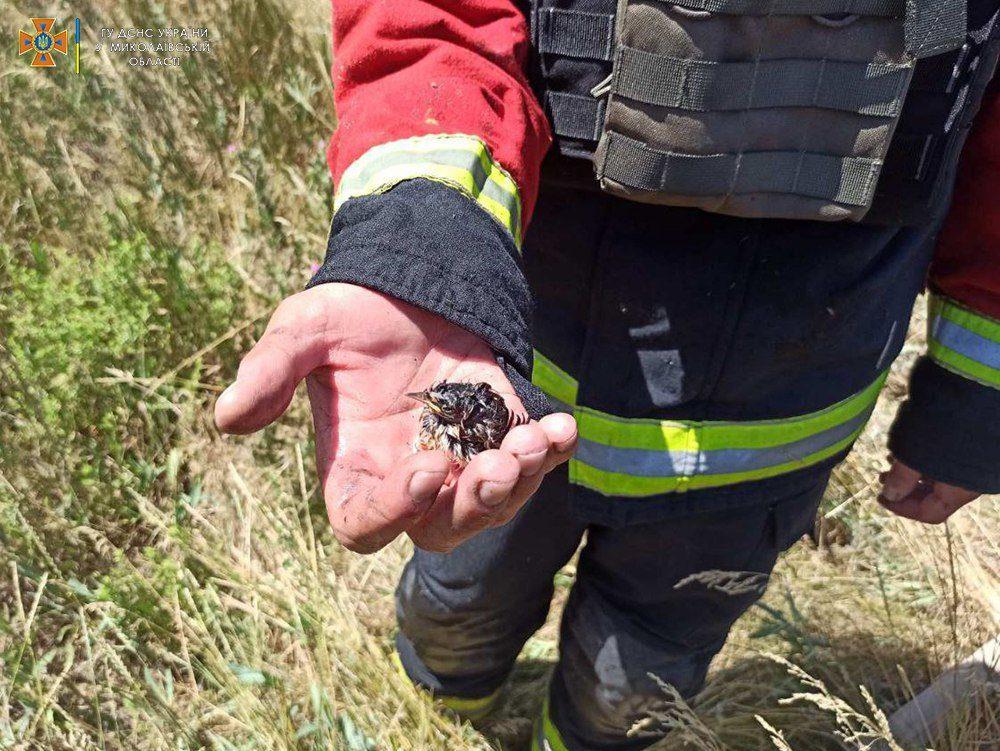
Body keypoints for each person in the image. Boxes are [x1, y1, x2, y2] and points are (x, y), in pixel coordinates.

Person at [215, 2, 1000, 748]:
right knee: (456, 607)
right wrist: (420, 245)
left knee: (636, 680)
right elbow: (436, 27)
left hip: (771, 441)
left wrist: (969, 411)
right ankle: (447, 713)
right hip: (524, 394)